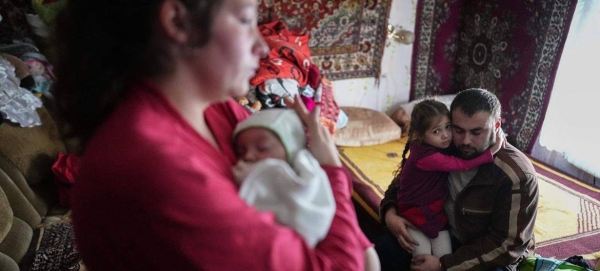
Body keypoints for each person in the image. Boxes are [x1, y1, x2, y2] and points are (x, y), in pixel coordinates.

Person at [53, 0, 372, 270]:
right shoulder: (158, 168)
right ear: (177, 21)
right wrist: (332, 170)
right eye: (246, 20)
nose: (262, 47)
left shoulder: (215, 110)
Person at [375, 89, 538, 271]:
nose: (465, 141)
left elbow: (507, 246)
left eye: (477, 132)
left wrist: (443, 264)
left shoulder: (516, 175)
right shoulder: (443, 144)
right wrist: (390, 214)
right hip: (440, 231)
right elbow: (403, 183)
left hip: (485, 253)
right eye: (458, 130)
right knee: (384, 249)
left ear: (497, 124)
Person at [232, 108, 381, 271]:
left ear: (291, 146)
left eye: (262, 147)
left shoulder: (309, 173)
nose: (248, 156)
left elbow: (322, 204)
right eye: (240, 152)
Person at [393, 99, 503, 259]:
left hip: (436, 213)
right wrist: (491, 152)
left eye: (448, 127)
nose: (445, 136)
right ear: (421, 134)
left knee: (444, 256)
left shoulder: (441, 145)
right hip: (414, 212)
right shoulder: (427, 156)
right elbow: (463, 165)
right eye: (436, 131)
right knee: (421, 256)